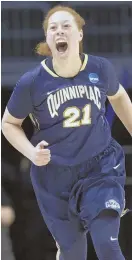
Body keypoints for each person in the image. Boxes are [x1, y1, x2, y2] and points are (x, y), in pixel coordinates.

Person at [2, 5, 132, 260]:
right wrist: (30, 152)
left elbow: (118, 97)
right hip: (55, 175)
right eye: (53, 28)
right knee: (73, 252)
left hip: (100, 168)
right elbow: (8, 123)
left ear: (79, 34)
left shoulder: (100, 68)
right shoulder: (32, 82)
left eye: (66, 26)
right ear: (48, 39)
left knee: (107, 243)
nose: (59, 31)